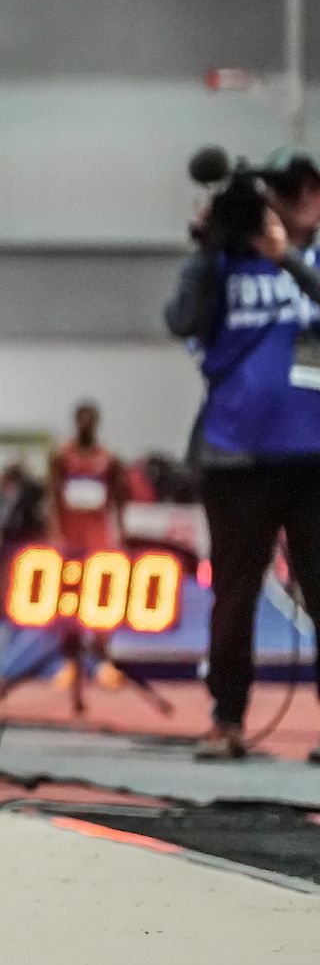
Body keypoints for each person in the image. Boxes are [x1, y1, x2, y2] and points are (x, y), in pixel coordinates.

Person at [164, 149, 320, 761]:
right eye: (283, 187)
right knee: (234, 592)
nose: (295, 196)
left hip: (313, 456)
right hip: (237, 454)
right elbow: (182, 321)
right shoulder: (222, 261)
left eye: (306, 186)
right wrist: (209, 250)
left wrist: (284, 257)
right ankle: (227, 720)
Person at [44, 400, 130, 706]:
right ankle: (70, 662)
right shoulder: (61, 457)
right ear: (75, 422)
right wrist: (54, 534)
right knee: (68, 599)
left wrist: (121, 533)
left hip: (98, 537)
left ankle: (102, 659)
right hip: (70, 537)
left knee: (101, 599)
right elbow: (52, 496)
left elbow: (119, 500)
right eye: (81, 420)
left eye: (91, 420)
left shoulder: (108, 460)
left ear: (96, 423)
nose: (86, 426)